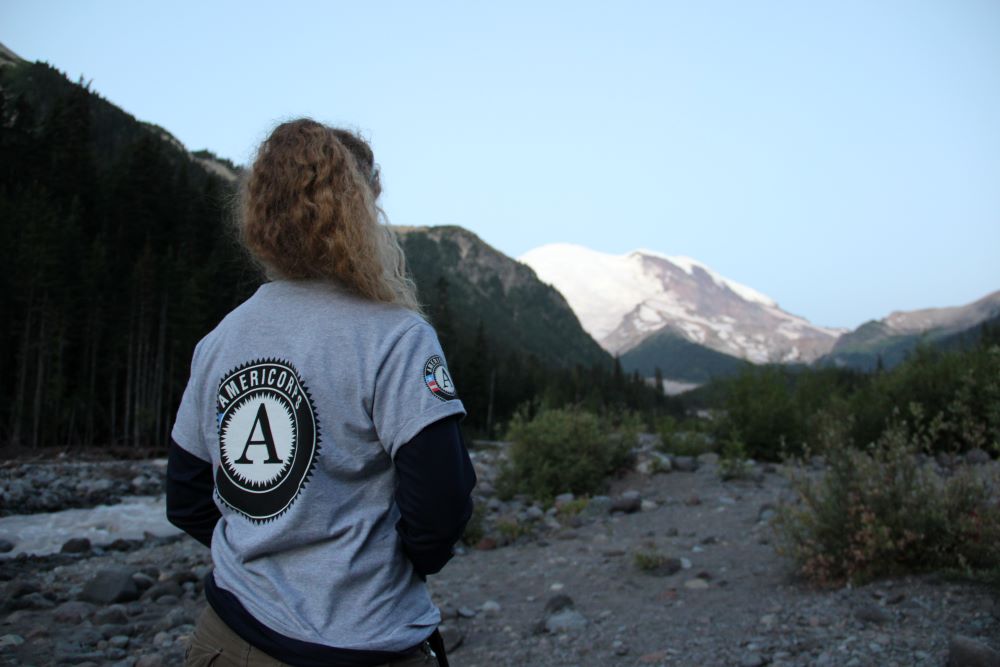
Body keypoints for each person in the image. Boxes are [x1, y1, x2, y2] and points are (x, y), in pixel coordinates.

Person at [167, 118, 476, 667]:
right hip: (363, 643)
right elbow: (440, 509)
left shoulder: (221, 339)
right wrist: (371, 567)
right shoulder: (397, 336)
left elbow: (188, 496)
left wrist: (263, 550)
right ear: (359, 213)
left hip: (227, 638)